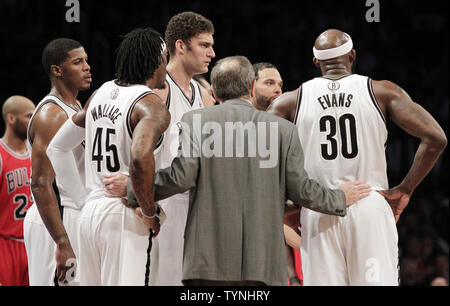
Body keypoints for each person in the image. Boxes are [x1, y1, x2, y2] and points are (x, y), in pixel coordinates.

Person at [128, 55, 372, 285]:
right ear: (252, 88)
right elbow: (302, 190)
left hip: (208, 265)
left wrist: (133, 187)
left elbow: (180, 177)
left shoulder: (196, 121)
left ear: (213, 91)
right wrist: (339, 197)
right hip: (264, 266)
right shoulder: (283, 130)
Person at [268, 29, 447, 285]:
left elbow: (262, 163)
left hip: (320, 208)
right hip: (370, 205)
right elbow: (436, 139)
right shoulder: (383, 91)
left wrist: (290, 205)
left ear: (316, 62)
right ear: (352, 55)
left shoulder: (288, 102)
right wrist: (405, 189)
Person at [46, 27, 170, 286]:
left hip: (90, 216)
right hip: (123, 213)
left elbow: (57, 147)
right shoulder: (150, 104)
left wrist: (83, 200)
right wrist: (148, 211)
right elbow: (139, 155)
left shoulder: (99, 93)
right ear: (156, 61)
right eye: (165, 58)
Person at [143, 11, 215, 286]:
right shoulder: (158, 92)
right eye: (204, 45)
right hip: (164, 201)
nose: (212, 52)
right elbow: (136, 150)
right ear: (181, 46)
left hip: (196, 203)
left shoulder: (205, 96)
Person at [23, 38, 92, 286]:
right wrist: (62, 241)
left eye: (86, 60)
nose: (87, 67)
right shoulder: (52, 115)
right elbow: (41, 184)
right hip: (53, 220)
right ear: (57, 70)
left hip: (66, 215)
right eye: (77, 62)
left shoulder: (75, 106)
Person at [0, 96, 35, 286]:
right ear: (11, 118)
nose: (33, 121)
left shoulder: (36, 153)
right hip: (5, 244)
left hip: (33, 241)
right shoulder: (1, 154)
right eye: (29, 116)